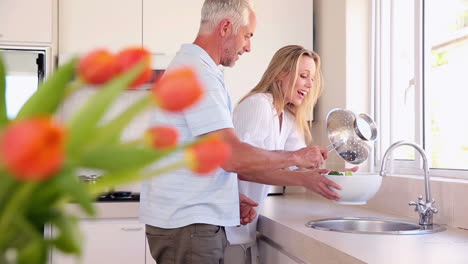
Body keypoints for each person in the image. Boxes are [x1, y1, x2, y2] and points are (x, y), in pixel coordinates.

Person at [140, 1, 340, 264]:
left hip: (192, 220)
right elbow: (232, 157)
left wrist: (227, 196)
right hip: (191, 224)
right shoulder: (197, 73)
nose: (248, 46)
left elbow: (205, 154)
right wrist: (295, 158)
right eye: (247, 36)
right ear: (225, 28)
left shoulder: (199, 70)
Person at [224, 45, 357, 264]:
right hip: (227, 220)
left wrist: (338, 174)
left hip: (243, 221)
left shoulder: (287, 116)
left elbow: (301, 166)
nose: (309, 84)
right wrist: (304, 172)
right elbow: (242, 166)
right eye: (303, 76)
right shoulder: (258, 105)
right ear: (279, 74)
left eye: (312, 78)